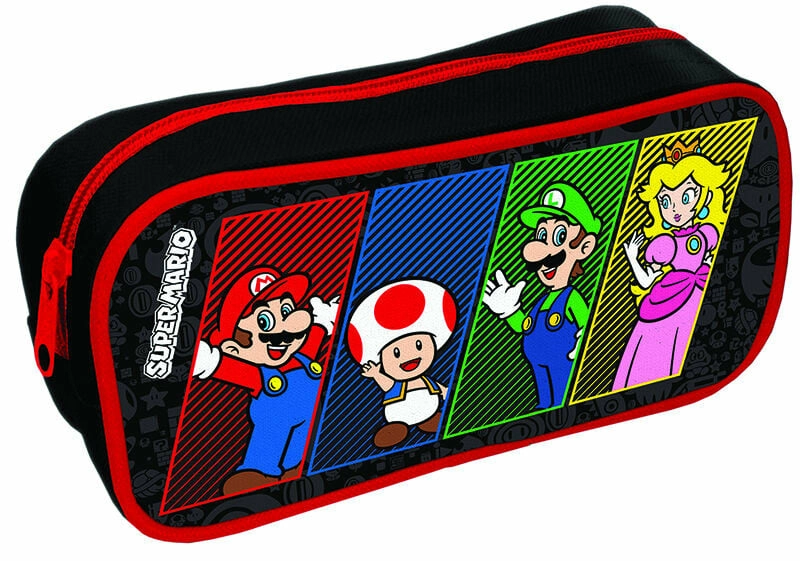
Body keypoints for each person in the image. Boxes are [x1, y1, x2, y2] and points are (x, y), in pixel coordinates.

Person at [191, 266, 339, 494]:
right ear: (234, 348)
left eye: (286, 310)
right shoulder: (257, 374)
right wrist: (209, 362)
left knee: (300, 445)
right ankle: (259, 471)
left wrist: (321, 323)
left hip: (307, 413)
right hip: (273, 416)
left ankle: (294, 468)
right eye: (265, 321)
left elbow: (314, 337)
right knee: (270, 441)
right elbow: (227, 368)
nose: (287, 326)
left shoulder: (302, 356)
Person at [612, 140, 729, 389]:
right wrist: (632, 256)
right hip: (668, 303)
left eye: (686, 197)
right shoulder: (665, 245)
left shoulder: (707, 233)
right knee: (659, 350)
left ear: (705, 196)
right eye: (665, 201)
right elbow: (646, 281)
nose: (675, 209)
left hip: (695, 298)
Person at [483, 182, 600, 409]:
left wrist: (584, 341)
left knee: (562, 395)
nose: (542, 252)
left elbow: (587, 322)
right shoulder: (541, 301)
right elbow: (524, 326)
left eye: (559, 236)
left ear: (584, 247)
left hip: (564, 363)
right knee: (545, 399)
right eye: (541, 235)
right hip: (537, 364)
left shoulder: (571, 298)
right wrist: (509, 311)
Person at [346, 279, 456, 448]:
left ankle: (428, 420)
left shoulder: (426, 380)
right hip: (399, 414)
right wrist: (376, 374)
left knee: (435, 419)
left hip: (429, 408)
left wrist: (446, 392)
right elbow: (387, 384)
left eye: (419, 345)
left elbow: (441, 389)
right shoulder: (396, 384)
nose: (410, 355)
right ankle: (396, 428)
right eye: (396, 352)